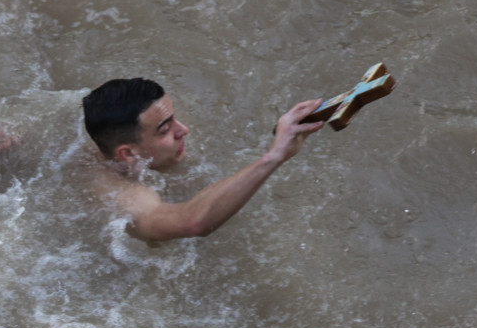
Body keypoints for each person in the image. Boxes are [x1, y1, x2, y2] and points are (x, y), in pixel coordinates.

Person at [82, 78, 326, 241]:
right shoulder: (122, 194)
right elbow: (190, 223)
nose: (184, 130)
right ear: (129, 154)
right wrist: (275, 155)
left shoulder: (106, 139)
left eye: (175, 119)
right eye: (165, 130)